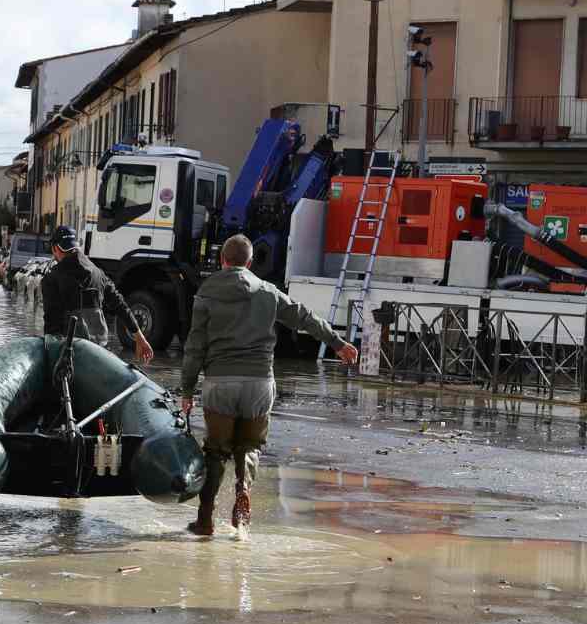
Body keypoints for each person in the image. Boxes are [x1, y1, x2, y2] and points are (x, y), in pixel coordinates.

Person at [181, 234, 358, 537]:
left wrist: (186, 390)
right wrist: (337, 342)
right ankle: (244, 490)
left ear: (223, 261)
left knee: (215, 452)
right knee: (249, 446)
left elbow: (194, 347)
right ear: (250, 263)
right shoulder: (268, 292)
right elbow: (304, 317)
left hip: (220, 382)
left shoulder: (206, 293)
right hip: (260, 382)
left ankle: (205, 520)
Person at [40, 225, 154, 365]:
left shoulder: (51, 279)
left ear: (56, 248)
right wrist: (140, 338)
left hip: (70, 353)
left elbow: (51, 326)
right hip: (99, 351)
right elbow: (120, 306)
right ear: (76, 246)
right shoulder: (99, 274)